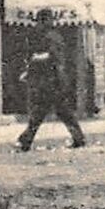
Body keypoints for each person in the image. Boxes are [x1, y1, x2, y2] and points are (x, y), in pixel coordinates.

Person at [16, 11, 86, 151]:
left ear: (45, 21)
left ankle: (25, 141)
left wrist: (35, 60)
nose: (38, 24)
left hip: (53, 81)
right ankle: (78, 138)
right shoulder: (48, 36)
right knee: (56, 112)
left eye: (41, 21)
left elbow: (53, 56)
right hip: (51, 81)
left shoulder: (51, 36)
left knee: (44, 113)